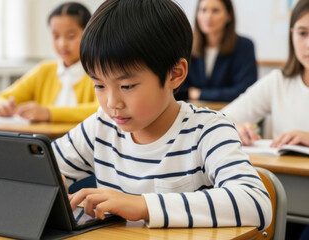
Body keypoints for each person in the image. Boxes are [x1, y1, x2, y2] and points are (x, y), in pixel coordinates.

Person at [52, 0, 271, 229]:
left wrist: (144, 206)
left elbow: (256, 204)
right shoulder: (101, 127)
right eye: (99, 85)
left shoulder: (208, 131)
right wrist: (47, 183)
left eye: (127, 86)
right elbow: (41, 168)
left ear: (175, 74)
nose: (111, 102)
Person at [0, 2, 98, 123]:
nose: (62, 44)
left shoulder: (99, 71)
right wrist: (1, 107)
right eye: (56, 36)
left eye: (71, 36)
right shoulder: (44, 70)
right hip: (44, 141)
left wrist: (48, 113)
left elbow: (102, 110)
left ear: (89, 34)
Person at [222, 0, 309, 148]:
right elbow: (220, 120)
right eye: (302, 33)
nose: (308, 44)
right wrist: (235, 129)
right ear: (291, 35)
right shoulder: (278, 81)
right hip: (284, 171)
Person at [176, 0, 257, 102]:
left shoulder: (244, 46)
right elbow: (177, 88)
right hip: (194, 113)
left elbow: (245, 91)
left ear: (228, 15)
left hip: (231, 113)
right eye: (203, 10)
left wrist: (199, 93)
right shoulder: (186, 44)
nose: (208, 16)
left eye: (215, 11)